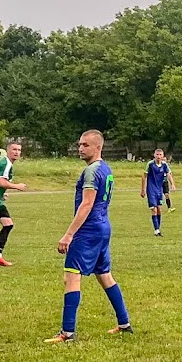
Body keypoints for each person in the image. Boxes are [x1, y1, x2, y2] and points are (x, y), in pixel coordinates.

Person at [47, 130, 132, 343]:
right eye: (79, 145)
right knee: (104, 276)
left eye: (85, 145)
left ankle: (67, 333)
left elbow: (87, 203)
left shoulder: (92, 171)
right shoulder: (106, 169)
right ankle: (124, 323)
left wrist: (68, 235)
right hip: (103, 228)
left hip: (88, 231)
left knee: (71, 276)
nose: (80, 148)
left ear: (98, 147)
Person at [141, 148, 170, 236]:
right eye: (157, 154)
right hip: (151, 190)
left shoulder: (164, 165)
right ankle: (156, 230)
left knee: (159, 209)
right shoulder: (150, 164)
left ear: (163, 156)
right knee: (154, 209)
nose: (158, 156)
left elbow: (169, 174)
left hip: (159, 190)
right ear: (154, 155)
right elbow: (144, 177)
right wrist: (143, 189)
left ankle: (158, 228)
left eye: (160, 155)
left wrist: (172, 184)